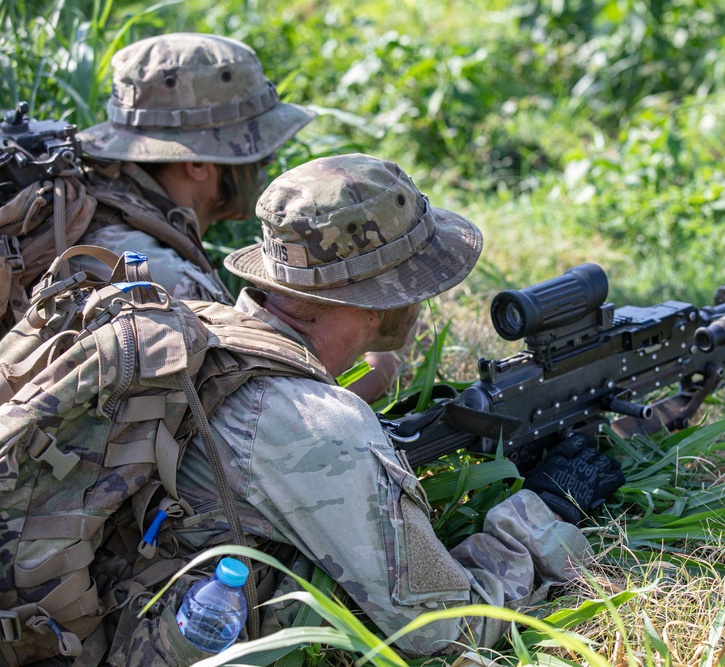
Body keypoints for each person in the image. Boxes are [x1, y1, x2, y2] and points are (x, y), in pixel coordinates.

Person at [154, 154, 623, 658]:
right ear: (384, 297)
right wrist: (542, 513)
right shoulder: (322, 429)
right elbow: (442, 632)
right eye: (420, 278)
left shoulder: (201, 332)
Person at [73, 32, 396, 402]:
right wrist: (379, 372)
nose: (269, 163)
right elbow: (262, 413)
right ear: (196, 162)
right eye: (256, 151)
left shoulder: (88, 195)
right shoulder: (165, 285)